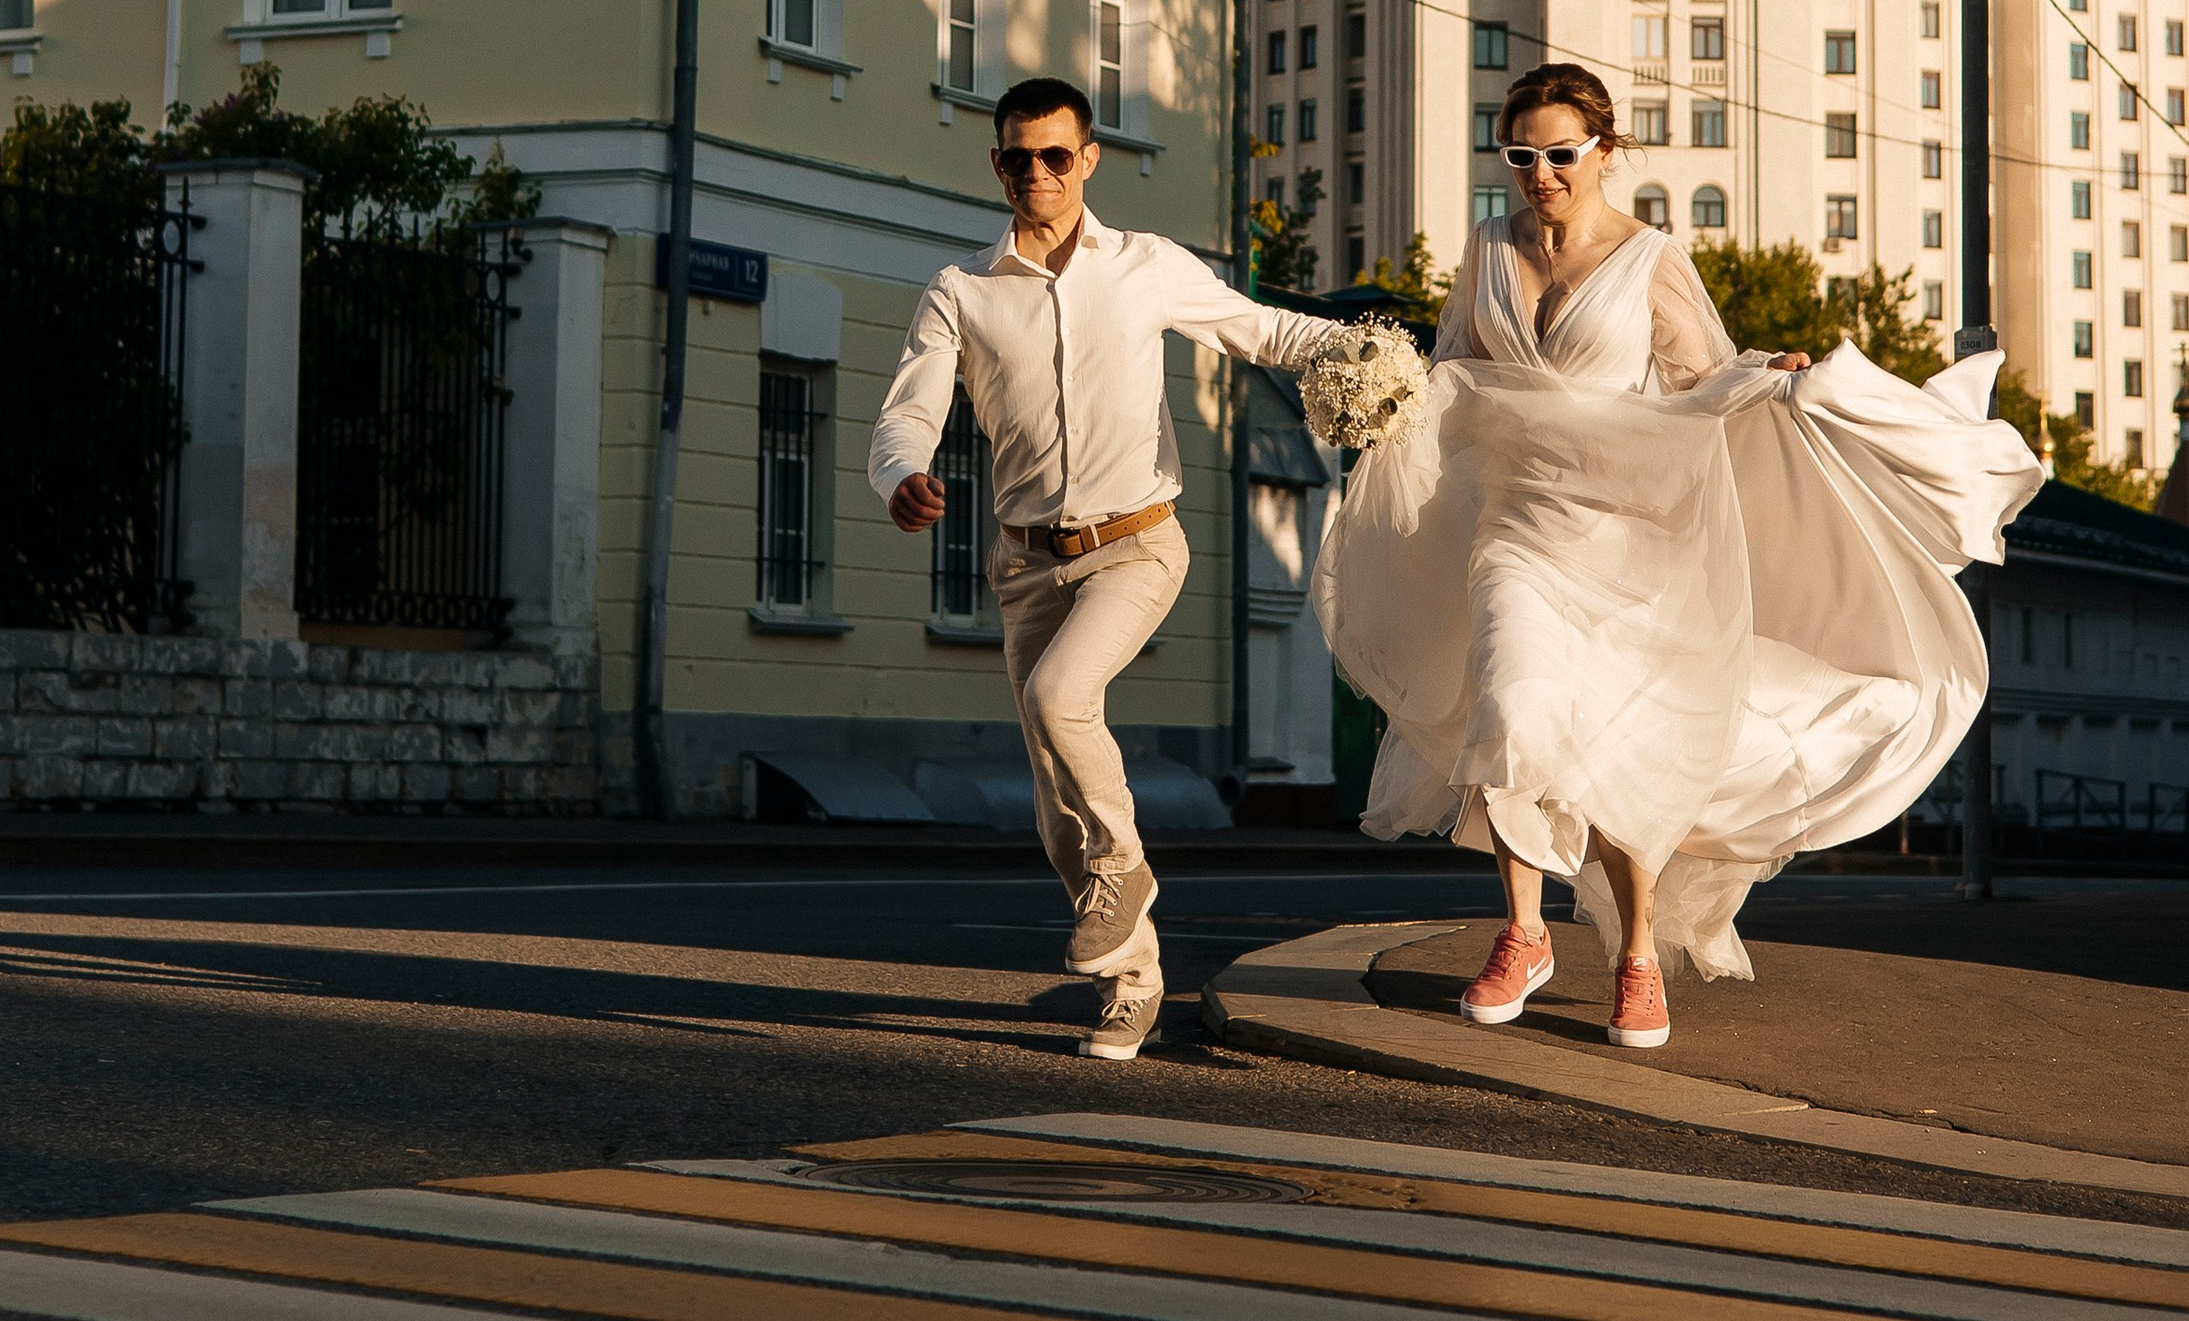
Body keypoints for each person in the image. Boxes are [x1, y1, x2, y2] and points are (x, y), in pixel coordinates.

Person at [1313, 62, 2040, 1051]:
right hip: (1516, 528)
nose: (1540, 173)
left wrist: (1765, 378)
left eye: (1560, 153)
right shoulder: (1486, 248)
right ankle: (1523, 933)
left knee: (1621, 749)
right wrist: (1387, 397)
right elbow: (1457, 375)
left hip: (1626, 533)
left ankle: (1637, 954)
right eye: (1520, 154)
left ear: (1605, 153)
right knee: (1508, 707)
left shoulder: (1647, 256)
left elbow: (1697, 377)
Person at [870, 77, 1335, 1060]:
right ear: (995, 163)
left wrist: (1375, 354)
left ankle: (1125, 877)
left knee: (1058, 695)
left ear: (1087, 159)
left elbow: (1262, 330)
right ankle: (1135, 979)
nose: (1032, 173)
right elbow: (907, 409)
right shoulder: (963, 288)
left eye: (1051, 155)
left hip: (1135, 542)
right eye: (1013, 158)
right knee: (1053, 806)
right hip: (1027, 564)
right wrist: (902, 474)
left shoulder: (1144, 266)